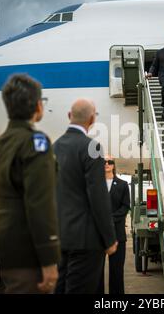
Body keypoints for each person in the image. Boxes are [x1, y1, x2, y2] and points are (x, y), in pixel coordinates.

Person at [0, 74, 61, 294]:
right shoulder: (36, 143)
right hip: (25, 253)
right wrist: (49, 260)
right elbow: (40, 205)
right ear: (37, 106)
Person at [54, 98, 118, 294]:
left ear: (68, 116)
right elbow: (98, 197)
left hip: (60, 238)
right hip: (86, 240)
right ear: (92, 119)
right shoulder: (92, 147)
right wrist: (109, 239)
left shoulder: (52, 148)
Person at [97, 155, 130, 294]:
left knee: (116, 272)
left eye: (110, 162)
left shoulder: (122, 185)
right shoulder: (95, 184)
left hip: (117, 235)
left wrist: (109, 218)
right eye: (103, 162)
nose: (107, 164)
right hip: (97, 236)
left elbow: (125, 207)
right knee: (97, 274)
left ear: (114, 165)